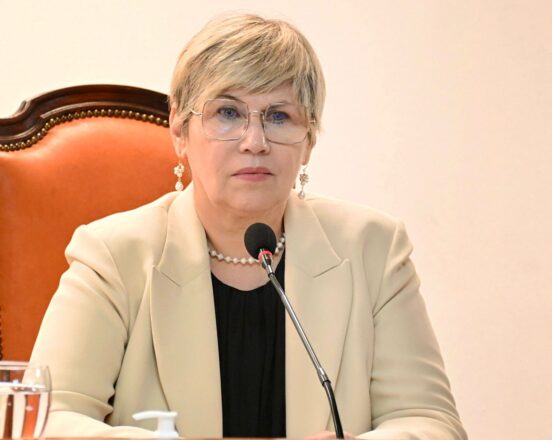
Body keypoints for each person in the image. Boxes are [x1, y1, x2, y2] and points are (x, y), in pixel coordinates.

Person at [31, 13, 467, 440]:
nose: (255, 142)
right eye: (227, 112)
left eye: (279, 117)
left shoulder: (374, 249)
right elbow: (46, 420)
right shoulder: (112, 256)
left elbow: (431, 421)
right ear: (180, 131)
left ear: (309, 140)